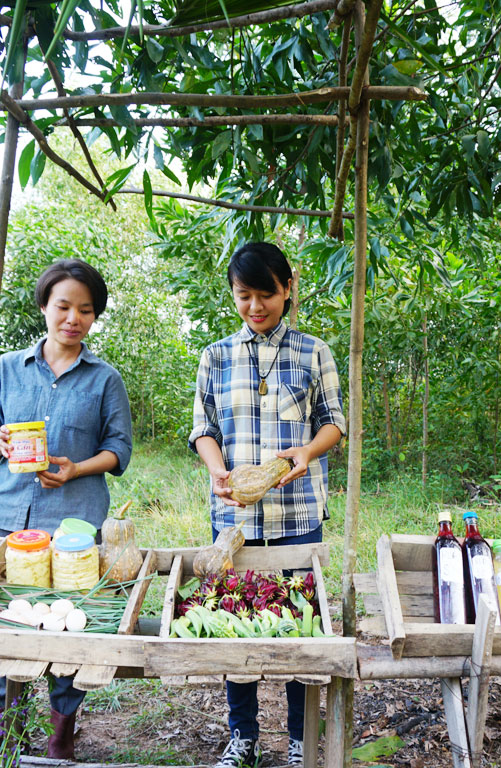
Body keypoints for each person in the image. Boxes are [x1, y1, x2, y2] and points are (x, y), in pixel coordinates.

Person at [190, 242, 346, 768]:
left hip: (298, 513)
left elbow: (334, 422)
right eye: (243, 296)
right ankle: (244, 738)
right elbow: (203, 430)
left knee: (302, 631)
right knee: (234, 624)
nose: (255, 307)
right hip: (234, 517)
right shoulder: (215, 356)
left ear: (288, 289)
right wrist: (216, 470)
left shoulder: (313, 351)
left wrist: (307, 450)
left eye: (266, 295)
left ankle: (302, 740)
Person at [0, 258, 132, 759]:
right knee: (5, 620)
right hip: (6, 519)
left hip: (73, 523)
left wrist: (76, 468)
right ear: (45, 307)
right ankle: (2, 725)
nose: (73, 318)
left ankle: (61, 731)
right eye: (63, 306)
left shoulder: (105, 379)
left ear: (95, 317)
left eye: (85, 310)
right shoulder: (6, 368)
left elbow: (120, 451)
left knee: (72, 623)